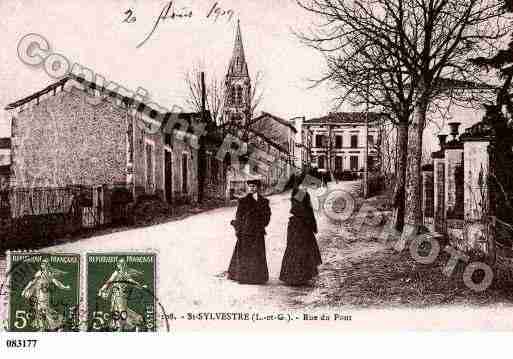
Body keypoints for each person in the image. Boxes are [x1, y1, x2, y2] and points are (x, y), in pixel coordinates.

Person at [279, 175, 322, 286]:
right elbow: (299, 210)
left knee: (302, 250)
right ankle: (296, 277)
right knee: (299, 250)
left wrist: (311, 224)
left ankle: (301, 276)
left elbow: (308, 210)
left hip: (301, 225)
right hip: (299, 225)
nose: (306, 186)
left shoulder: (302, 192)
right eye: (305, 184)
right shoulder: (299, 192)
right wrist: (309, 222)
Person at [228, 178, 271, 284]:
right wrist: (239, 229)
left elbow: (267, 215)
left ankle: (258, 277)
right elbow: (239, 216)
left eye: (254, 186)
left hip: (258, 232)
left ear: (258, 188)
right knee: (245, 255)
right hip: (246, 232)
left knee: (257, 254)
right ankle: (245, 277)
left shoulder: (264, 201)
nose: (252, 188)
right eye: (250, 186)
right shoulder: (243, 201)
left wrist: (262, 224)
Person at [98, 257, 147, 331]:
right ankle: (138, 320)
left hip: (122, 298)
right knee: (120, 316)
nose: (123, 265)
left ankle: (138, 320)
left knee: (123, 314)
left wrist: (141, 287)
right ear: (118, 265)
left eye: (124, 264)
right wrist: (102, 290)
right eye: (121, 264)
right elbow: (109, 282)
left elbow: (133, 283)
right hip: (116, 297)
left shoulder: (127, 275)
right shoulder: (116, 273)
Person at [22, 258, 71, 331]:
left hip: (43, 293)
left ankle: (58, 323)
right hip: (41, 293)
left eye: (44, 264)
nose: (43, 265)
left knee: (43, 309)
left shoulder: (43, 273)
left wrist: (64, 287)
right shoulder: (45, 273)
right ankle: (47, 326)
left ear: (46, 265)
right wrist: (64, 287)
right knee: (41, 309)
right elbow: (33, 282)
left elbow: (55, 282)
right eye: (42, 264)